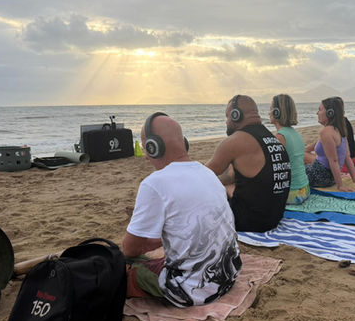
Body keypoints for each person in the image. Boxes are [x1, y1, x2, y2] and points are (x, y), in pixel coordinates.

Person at [123, 113, 242, 307]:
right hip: (228, 277)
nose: (145, 155)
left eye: (145, 147)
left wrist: (151, 241)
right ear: (183, 142)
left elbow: (130, 248)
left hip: (191, 290)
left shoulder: (153, 184)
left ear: (153, 147)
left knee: (123, 266)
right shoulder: (208, 174)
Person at [206, 95, 291, 232]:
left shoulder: (235, 141)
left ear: (236, 115)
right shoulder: (272, 138)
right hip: (274, 218)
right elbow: (230, 177)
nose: (226, 121)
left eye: (227, 116)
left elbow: (203, 175)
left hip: (248, 222)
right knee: (228, 185)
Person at [304, 96, 355, 191]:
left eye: (320, 109)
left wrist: (340, 186)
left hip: (319, 175)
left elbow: (334, 161)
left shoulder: (326, 132)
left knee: (293, 168)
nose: (317, 113)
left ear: (330, 113)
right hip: (330, 179)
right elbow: (347, 157)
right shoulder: (341, 130)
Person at [269, 94, 310, 204]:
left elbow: (273, 169)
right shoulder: (296, 134)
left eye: (271, 109)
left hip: (293, 194)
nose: (269, 113)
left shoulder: (280, 137)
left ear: (277, 112)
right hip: (305, 189)